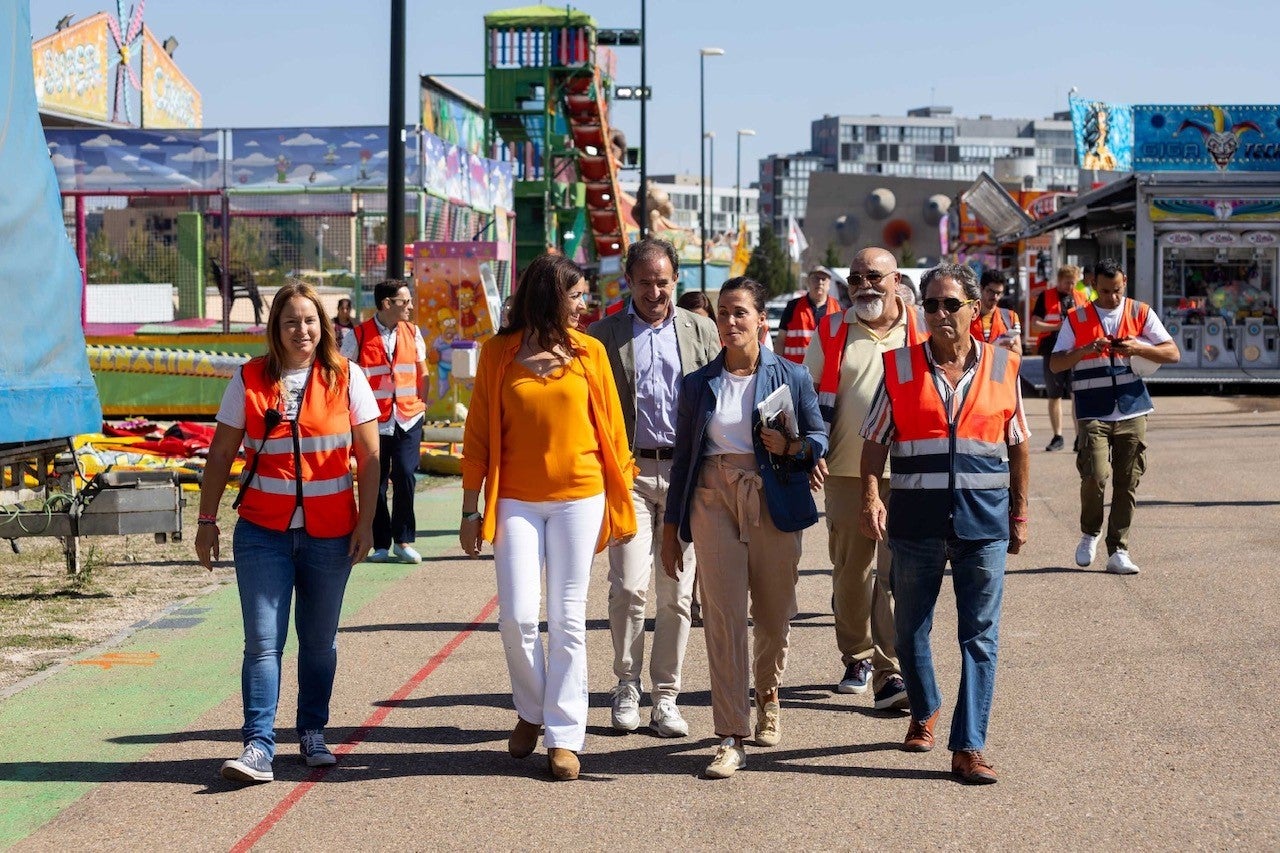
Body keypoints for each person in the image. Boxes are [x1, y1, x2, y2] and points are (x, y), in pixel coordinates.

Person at [195, 280, 381, 784]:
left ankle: (313, 732)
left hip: (330, 535)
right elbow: (219, 457)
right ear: (275, 329)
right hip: (262, 534)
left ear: (324, 326)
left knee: (318, 642)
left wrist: (366, 522)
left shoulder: (348, 377)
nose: (302, 329)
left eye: (310, 320)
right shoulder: (249, 379)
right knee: (262, 642)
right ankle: (257, 745)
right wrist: (206, 520)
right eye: (291, 321)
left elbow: (369, 456)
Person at [459, 253, 636, 782]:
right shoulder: (497, 353)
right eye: (576, 295)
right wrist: (470, 506)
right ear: (548, 295)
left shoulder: (591, 352)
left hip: (580, 498)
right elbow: (478, 436)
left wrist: (622, 496)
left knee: (566, 620)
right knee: (515, 616)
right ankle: (531, 709)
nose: (584, 305)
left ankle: (563, 736)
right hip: (514, 497)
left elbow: (615, 427)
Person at [859, 263, 1030, 785]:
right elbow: (873, 444)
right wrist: (871, 495)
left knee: (980, 636)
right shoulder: (900, 368)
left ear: (973, 309)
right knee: (910, 629)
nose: (939, 314)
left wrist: (1019, 513)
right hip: (915, 522)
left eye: (949, 305)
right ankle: (925, 706)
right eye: (930, 305)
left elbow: (1018, 444)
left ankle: (968, 746)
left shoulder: (1004, 367)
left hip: (983, 524)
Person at [661, 276, 828, 779]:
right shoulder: (697, 384)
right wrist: (672, 527)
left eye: (740, 313)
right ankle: (731, 734)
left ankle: (769, 691)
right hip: (712, 498)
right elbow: (685, 458)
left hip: (772, 495)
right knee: (724, 617)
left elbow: (818, 435)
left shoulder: (792, 375)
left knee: (775, 615)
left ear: (760, 320)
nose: (730, 322)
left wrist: (795, 449)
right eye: (723, 313)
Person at [587, 239, 721, 739]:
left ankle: (666, 696)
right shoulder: (604, 336)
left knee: (678, 593)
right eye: (645, 282)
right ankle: (626, 685)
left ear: (676, 281)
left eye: (663, 281)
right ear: (630, 283)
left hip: (686, 475)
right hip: (631, 474)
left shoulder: (701, 330)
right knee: (627, 586)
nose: (655, 291)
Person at [807, 247, 928, 702]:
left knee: (896, 574)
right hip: (844, 470)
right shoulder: (834, 327)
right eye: (855, 279)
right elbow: (805, 392)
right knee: (851, 571)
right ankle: (855, 655)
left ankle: (888, 669)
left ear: (896, 279)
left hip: (909, 469)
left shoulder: (920, 327)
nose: (864, 287)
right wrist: (810, 449)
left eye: (874, 277)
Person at [1048, 258, 1180, 574]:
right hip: (1092, 408)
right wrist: (1085, 350)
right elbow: (1055, 365)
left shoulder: (1140, 312)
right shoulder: (1077, 317)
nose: (1112, 298)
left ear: (1125, 283)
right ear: (1094, 285)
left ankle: (1118, 549)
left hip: (1133, 407)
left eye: (1117, 290)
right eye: (1105, 291)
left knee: (1128, 479)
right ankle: (1090, 531)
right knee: (1094, 473)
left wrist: (1138, 348)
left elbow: (1172, 353)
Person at [340, 280, 428, 565]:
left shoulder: (413, 333)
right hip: (372, 422)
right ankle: (380, 543)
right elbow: (344, 376)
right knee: (374, 481)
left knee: (404, 474)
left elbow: (422, 372)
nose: (411, 306)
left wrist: (422, 406)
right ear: (387, 304)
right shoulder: (358, 335)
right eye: (405, 302)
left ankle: (403, 540)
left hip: (407, 417)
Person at [1032, 265, 1087, 451]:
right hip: (1052, 350)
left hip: (1076, 352)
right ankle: (1058, 437)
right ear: (1058, 280)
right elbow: (1035, 324)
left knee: (1076, 394)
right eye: (1066, 282)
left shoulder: (1081, 297)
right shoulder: (1046, 296)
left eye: (1073, 282)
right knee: (1054, 395)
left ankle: (1080, 437)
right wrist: (1056, 327)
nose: (1070, 286)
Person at [778, 265, 842, 363]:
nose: (820, 282)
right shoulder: (793, 306)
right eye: (816, 278)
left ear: (829, 284)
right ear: (808, 281)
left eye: (823, 279)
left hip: (825, 371)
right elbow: (780, 340)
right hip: (794, 371)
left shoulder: (838, 309)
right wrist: (777, 368)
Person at [972, 270, 1022, 351]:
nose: (995, 297)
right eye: (991, 291)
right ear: (981, 289)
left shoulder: (1011, 317)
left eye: (999, 293)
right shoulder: (968, 316)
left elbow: (1019, 353)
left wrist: (1011, 345)